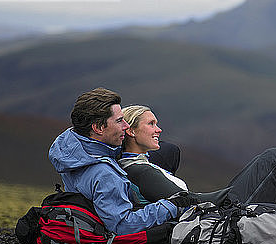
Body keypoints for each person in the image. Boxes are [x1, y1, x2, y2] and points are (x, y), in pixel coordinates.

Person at [119, 104, 276, 244]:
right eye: (151, 124)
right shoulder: (139, 171)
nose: (158, 129)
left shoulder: (145, 162)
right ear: (130, 131)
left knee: (271, 162)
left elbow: (169, 151)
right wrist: (225, 194)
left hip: (208, 211)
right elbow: (184, 201)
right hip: (212, 214)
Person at [48, 88, 179, 235]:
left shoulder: (72, 147)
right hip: (115, 228)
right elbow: (122, 226)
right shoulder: (105, 175)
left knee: (169, 150)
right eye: (119, 121)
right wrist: (170, 205)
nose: (126, 125)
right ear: (98, 128)